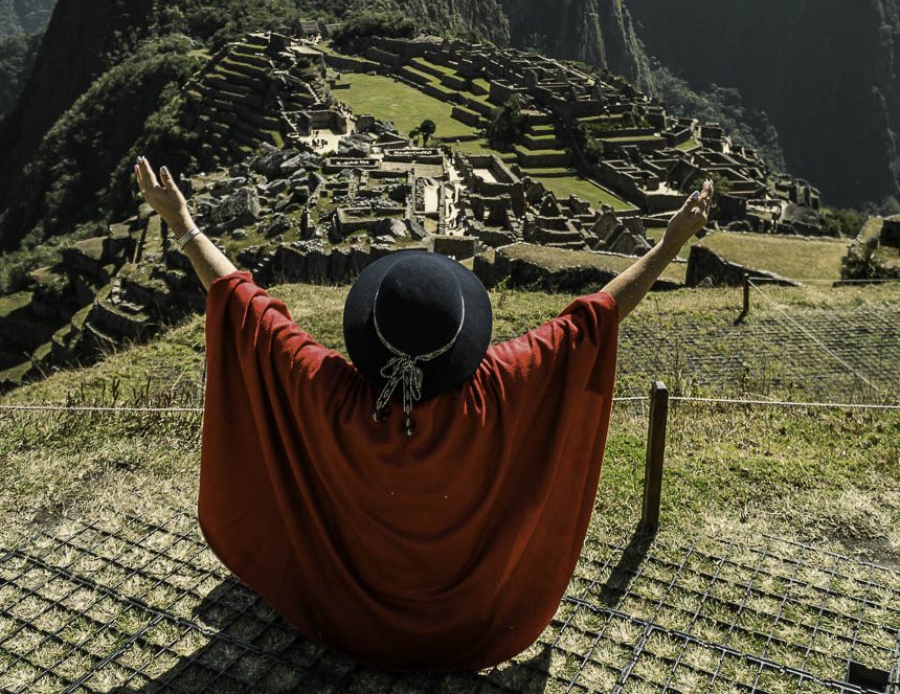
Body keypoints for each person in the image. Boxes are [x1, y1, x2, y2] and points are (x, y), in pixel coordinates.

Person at [134, 155, 713, 671]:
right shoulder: (500, 388)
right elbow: (594, 317)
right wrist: (669, 246)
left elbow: (245, 306)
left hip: (348, 622)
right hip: (467, 628)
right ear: (462, 337)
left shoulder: (326, 392)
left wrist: (184, 225)